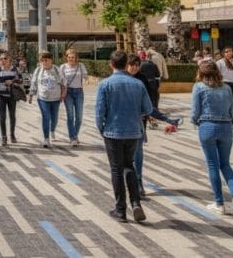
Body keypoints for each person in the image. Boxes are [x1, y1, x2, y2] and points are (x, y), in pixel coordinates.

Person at [95, 51, 152, 223]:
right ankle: (136, 203)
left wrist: (101, 128)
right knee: (129, 165)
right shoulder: (137, 84)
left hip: (113, 131)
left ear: (111, 64)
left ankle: (120, 209)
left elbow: (100, 111)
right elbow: (148, 108)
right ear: (126, 63)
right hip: (134, 131)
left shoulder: (105, 84)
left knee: (116, 169)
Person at [191, 61, 233, 217]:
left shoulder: (199, 87)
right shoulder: (227, 88)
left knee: (213, 165)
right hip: (226, 127)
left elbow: (195, 111)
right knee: (226, 164)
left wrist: (194, 122)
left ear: (201, 73)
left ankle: (219, 203)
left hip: (207, 126)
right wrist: (232, 121)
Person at [126, 55, 181, 198]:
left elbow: (149, 104)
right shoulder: (119, 79)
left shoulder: (143, 79)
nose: (134, 68)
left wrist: (165, 119)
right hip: (122, 125)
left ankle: (138, 183)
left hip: (139, 124)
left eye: (137, 65)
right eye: (132, 65)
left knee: (137, 154)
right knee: (125, 157)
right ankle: (128, 183)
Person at [28, 51, 65, 148]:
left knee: (54, 118)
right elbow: (34, 82)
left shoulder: (57, 69)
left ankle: (52, 130)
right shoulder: (38, 70)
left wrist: (63, 94)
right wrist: (31, 95)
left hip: (55, 98)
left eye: (47, 60)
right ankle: (46, 139)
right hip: (42, 98)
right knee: (46, 117)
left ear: (51, 60)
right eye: (43, 60)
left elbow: (63, 82)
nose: (45, 62)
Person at [59, 49, 88, 147]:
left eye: (73, 57)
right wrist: (62, 91)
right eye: (69, 57)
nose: (71, 59)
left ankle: (75, 135)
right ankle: (73, 138)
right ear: (66, 57)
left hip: (79, 92)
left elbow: (85, 76)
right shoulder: (63, 67)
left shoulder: (81, 66)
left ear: (76, 57)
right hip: (68, 93)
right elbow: (60, 80)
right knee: (70, 116)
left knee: (79, 117)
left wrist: (86, 80)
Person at [0, 51, 22, 146]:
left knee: (12, 116)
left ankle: (12, 135)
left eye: (5, 59)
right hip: (1, 96)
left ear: (9, 60)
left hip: (12, 96)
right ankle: (4, 137)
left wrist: (12, 81)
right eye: (1, 59)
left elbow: (20, 80)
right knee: (2, 117)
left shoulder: (14, 69)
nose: (3, 61)